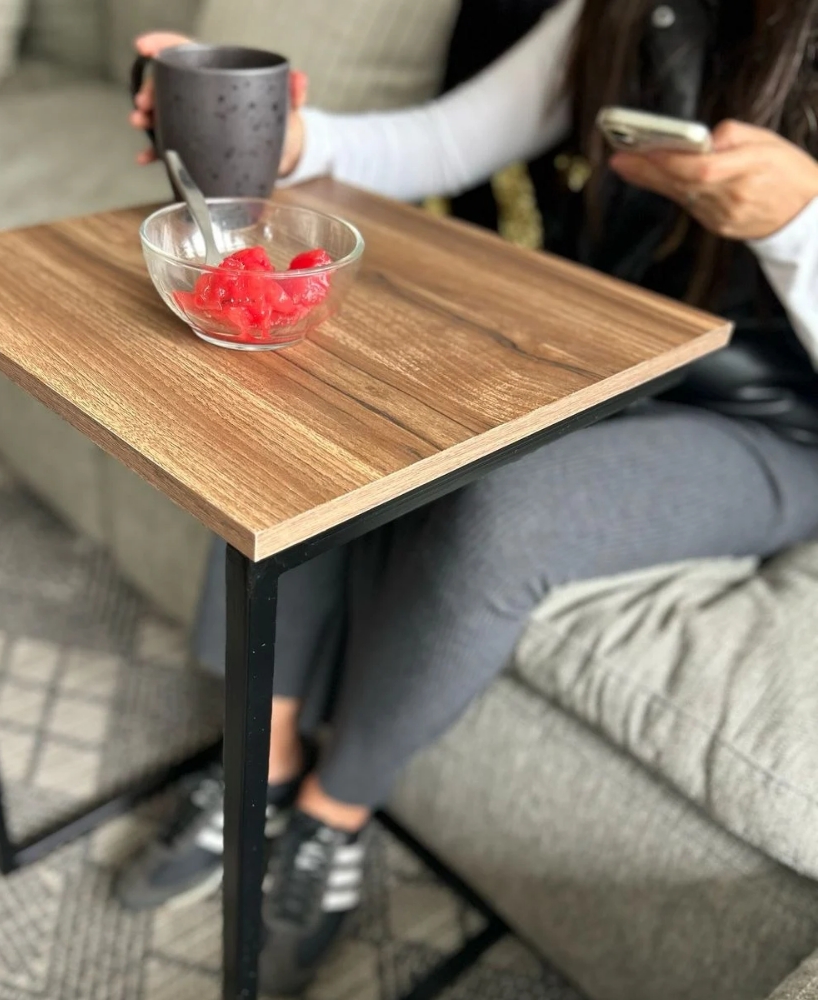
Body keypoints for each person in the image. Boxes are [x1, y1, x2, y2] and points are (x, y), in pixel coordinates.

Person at [119, 2, 818, 994]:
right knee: (317, 397)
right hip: (608, 350)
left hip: (777, 425)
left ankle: (333, 814)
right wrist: (280, 137)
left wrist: (798, 225)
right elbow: (451, 139)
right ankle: (262, 763)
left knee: (501, 516)